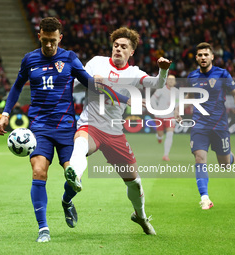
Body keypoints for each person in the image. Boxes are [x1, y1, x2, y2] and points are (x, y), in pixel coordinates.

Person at [0, 17, 104, 243]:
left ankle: (66, 201)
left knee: (74, 176)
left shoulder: (69, 58)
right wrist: (6, 113)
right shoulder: (29, 60)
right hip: (39, 128)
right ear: (39, 36)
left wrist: (107, 89)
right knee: (38, 172)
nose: (48, 45)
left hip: (65, 127)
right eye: (45, 40)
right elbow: (17, 86)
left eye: (53, 41)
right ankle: (43, 228)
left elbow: (87, 82)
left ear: (60, 38)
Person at [65, 27, 172, 235]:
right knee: (80, 142)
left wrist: (163, 70)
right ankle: (75, 176)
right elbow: (76, 84)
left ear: (131, 52)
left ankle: (140, 216)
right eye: (116, 45)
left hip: (114, 132)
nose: (118, 49)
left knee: (135, 183)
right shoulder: (97, 62)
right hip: (91, 124)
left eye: (124, 47)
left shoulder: (134, 73)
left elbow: (157, 84)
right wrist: (89, 82)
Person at [175, 42, 235, 210]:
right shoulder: (192, 76)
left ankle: (229, 156)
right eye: (200, 55)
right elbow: (187, 94)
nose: (203, 57)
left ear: (212, 57)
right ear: (196, 58)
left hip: (220, 125)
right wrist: (178, 108)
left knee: (224, 164)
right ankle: (205, 198)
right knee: (199, 158)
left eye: (206, 55)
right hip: (199, 125)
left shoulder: (222, 74)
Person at [150, 74, 178, 161]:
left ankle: (166, 155)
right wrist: (155, 109)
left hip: (170, 116)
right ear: (166, 81)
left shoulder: (177, 92)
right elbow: (152, 99)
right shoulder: (161, 89)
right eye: (169, 80)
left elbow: (178, 103)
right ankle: (159, 137)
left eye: (172, 80)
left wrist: (176, 111)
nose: (170, 81)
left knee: (170, 135)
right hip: (159, 116)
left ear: (175, 82)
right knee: (160, 134)